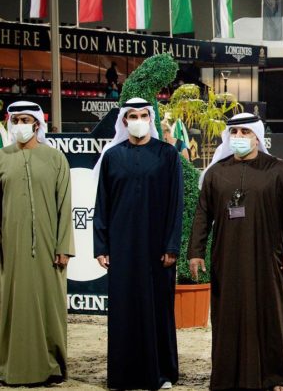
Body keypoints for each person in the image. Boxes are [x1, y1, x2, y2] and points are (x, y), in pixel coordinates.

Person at [190, 113, 283, 391]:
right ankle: (227, 377)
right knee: (228, 315)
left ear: (257, 136)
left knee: (272, 314)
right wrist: (196, 252)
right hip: (226, 258)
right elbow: (202, 214)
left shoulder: (276, 169)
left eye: (245, 132)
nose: (239, 137)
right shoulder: (216, 173)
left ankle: (275, 376)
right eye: (235, 132)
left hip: (270, 258)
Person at [93, 97, 183, 390]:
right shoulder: (112, 156)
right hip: (121, 248)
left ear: (151, 118)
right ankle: (123, 375)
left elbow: (175, 203)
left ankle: (161, 373)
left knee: (157, 308)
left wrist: (171, 246)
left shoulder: (167, 155)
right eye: (132, 115)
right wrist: (102, 246)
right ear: (124, 121)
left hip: (157, 250)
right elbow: (102, 204)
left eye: (143, 114)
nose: (138, 120)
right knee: (123, 310)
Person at [0, 101, 73, 385]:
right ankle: (9, 367)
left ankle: (51, 367)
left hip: (48, 249)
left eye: (25, 119)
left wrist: (63, 246)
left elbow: (64, 206)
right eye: (15, 119)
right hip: (10, 250)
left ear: (37, 124)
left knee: (49, 306)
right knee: (10, 305)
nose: (20, 125)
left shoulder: (55, 159)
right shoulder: (2, 158)